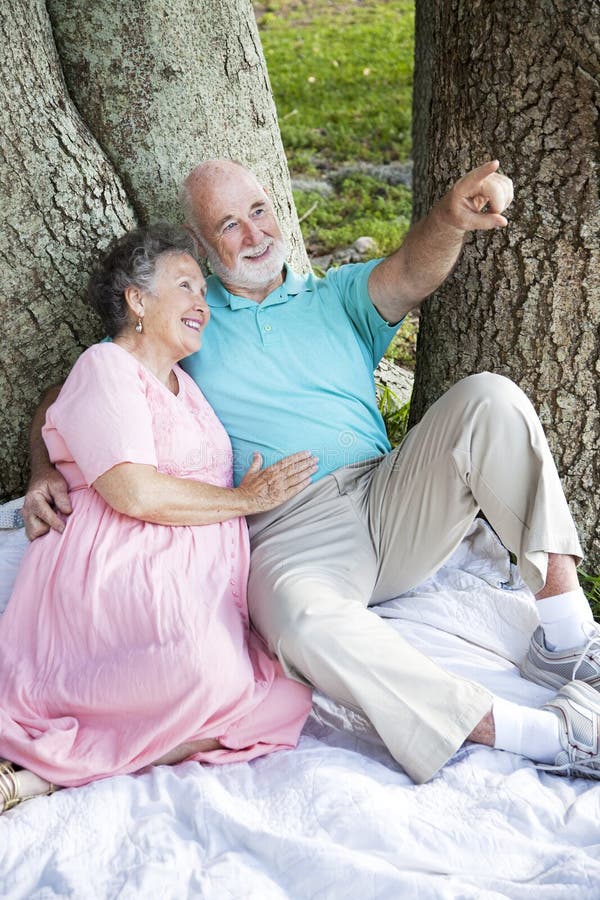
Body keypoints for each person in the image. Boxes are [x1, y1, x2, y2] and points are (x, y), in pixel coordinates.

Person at [23, 160, 600, 787]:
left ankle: (567, 639)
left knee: (492, 397)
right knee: (297, 621)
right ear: (201, 244)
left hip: (389, 493)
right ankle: (534, 735)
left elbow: (409, 273)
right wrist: (40, 468)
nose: (253, 233)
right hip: (289, 531)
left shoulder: (334, 296)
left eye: (259, 211)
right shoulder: (191, 318)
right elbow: (75, 391)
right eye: (229, 224)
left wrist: (451, 220)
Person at [0, 224, 315, 815]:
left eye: (203, 291)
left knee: (282, 698)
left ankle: (50, 775)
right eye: (185, 286)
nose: (203, 303)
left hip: (191, 580)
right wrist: (248, 500)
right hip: (118, 566)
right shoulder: (107, 364)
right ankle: (47, 770)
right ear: (137, 301)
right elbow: (133, 491)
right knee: (206, 676)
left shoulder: (183, 386)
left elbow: (57, 402)